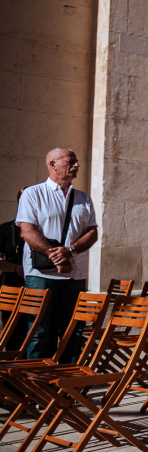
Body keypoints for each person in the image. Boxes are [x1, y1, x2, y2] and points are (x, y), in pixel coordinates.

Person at [16, 148, 99, 362]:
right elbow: (27, 231)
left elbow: (92, 232)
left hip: (75, 277)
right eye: (70, 161)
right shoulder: (33, 194)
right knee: (39, 333)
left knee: (73, 334)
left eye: (76, 162)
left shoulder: (84, 198)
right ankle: (38, 390)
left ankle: (65, 391)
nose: (76, 165)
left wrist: (69, 251)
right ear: (53, 164)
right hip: (40, 277)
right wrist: (56, 255)